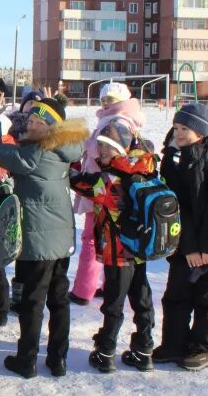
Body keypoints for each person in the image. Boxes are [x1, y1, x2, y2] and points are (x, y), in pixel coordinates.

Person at [0, 97, 87, 379]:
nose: (30, 125)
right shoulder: (63, 147)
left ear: (51, 127)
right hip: (60, 237)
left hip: (40, 238)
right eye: (29, 120)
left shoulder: (35, 154)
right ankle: (58, 359)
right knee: (59, 300)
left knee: (33, 302)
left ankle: (27, 359)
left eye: (37, 122)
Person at [154, 103, 208, 371]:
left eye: (185, 128)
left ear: (200, 132)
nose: (178, 133)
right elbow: (176, 206)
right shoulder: (172, 157)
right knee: (176, 295)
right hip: (185, 245)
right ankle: (174, 344)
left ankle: (203, 348)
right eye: (176, 127)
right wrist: (190, 247)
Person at [70, 119, 157, 373]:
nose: (103, 150)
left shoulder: (108, 180)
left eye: (110, 146)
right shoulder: (140, 170)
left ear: (123, 148)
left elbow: (79, 182)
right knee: (142, 300)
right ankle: (144, 351)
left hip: (118, 252)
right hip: (140, 249)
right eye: (100, 145)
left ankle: (105, 352)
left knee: (114, 303)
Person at [71, 82, 146, 306]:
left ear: (121, 101)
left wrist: (83, 140)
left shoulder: (117, 120)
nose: (105, 103)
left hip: (101, 188)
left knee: (92, 238)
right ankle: (105, 284)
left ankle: (84, 290)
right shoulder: (122, 118)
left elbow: (102, 150)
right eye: (103, 99)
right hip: (107, 187)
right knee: (103, 237)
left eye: (110, 100)